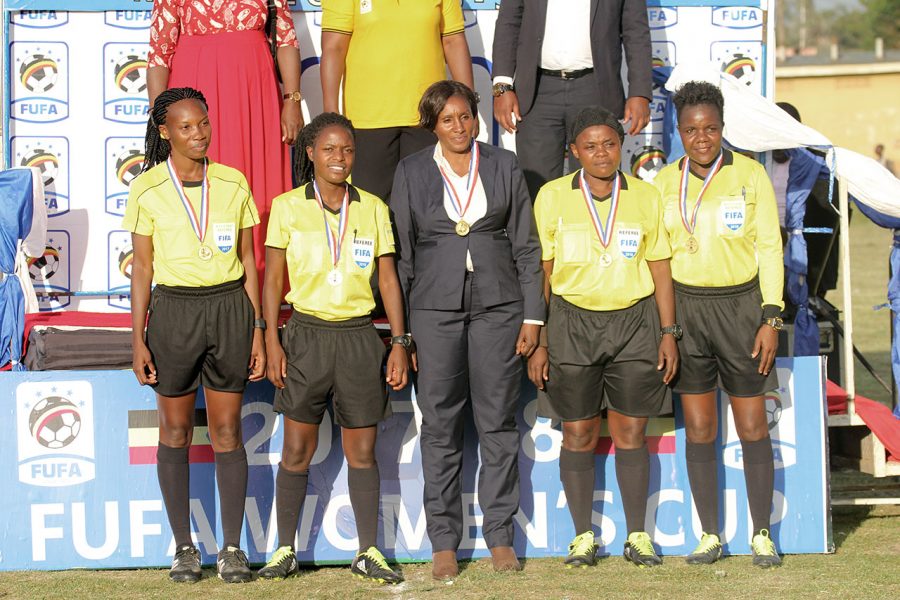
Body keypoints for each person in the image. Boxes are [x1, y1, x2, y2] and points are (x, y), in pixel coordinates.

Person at [392, 81, 545, 579]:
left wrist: (533, 316)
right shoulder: (412, 170)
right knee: (439, 425)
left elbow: (526, 246)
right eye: (447, 120)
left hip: (499, 306)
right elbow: (402, 255)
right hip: (433, 309)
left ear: (477, 117)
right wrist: (403, 334)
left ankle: (500, 536)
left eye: (465, 116)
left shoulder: (503, 164)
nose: (459, 127)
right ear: (432, 126)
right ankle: (443, 542)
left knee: (498, 422)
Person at [257, 113, 411, 584]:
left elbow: (388, 279)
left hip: (359, 336)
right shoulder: (286, 207)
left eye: (346, 149)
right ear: (310, 153)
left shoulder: (373, 207)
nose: (339, 158)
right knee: (296, 449)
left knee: (363, 452)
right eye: (328, 149)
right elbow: (272, 280)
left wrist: (399, 341)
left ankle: (368, 551)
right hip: (305, 335)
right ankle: (285, 550)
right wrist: (271, 338)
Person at [124, 87, 265, 583]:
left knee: (227, 431)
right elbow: (143, 268)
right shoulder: (147, 188)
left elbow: (248, 260)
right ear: (166, 132)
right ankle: (184, 548)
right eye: (186, 127)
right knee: (176, 432)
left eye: (203, 123)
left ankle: (232, 549)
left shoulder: (233, 182)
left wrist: (257, 329)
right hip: (174, 312)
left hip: (228, 308)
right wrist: (137, 338)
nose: (198, 133)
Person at [528, 107, 678, 569]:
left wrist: (668, 332)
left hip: (634, 323)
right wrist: (541, 340)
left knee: (631, 432)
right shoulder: (552, 196)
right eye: (590, 146)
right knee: (578, 432)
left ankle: (638, 536)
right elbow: (543, 272)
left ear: (622, 146)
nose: (601, 153)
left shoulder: (646, 196)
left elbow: (660, 267)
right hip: (571, 324)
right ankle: (582, 537)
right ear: (574, 151)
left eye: (609, 143)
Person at [653, 81, 784, 568]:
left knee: (752, 425)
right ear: (679, 131)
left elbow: (770, 247)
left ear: (723, 127)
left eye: (710, 128)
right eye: (691, 130)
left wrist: (771, 315)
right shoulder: (663, 183)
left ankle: (762, 533)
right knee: (700, 427)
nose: (701, 138)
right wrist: (667, 329)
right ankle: (710, 534)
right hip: (688, 311)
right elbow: (658, 258)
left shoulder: (750, 175)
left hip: (741, 308)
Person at [147, 0, 303, 284]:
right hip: (195, 90)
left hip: (255, 95)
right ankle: (200, 280)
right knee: (201, 188)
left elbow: (286, 38)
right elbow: (160, 52)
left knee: (259, 189)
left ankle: (263, 285)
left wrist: (292, 99)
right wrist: (161, 119)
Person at [492, 0, 652, 199]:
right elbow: (509, 22)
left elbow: (635, 29)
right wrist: (502, 85)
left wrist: (640, 92)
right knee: (537, 189)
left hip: (595, 89)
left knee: (597, 185)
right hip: (538, 92)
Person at [321, 0, 474, 203]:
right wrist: (331, 114)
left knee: (427, 204)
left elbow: (453, 41)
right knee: (372, 207)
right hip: (367, 122)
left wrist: (469, 106)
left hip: (429, 118)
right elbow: (334, 48)